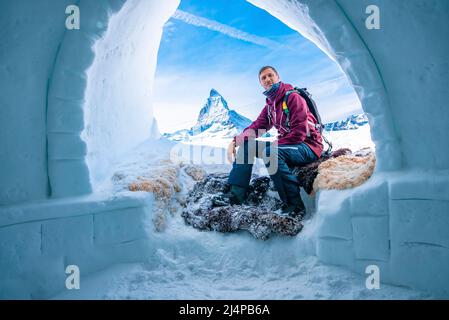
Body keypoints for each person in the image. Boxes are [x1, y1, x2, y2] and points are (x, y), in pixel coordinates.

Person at [213, 66, 323, 216]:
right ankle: (235, 195)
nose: (267, 79)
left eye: (270, 75)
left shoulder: (292, 97)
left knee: (270, 152)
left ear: (278, 77)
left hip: (307, 146)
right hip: (289, 145)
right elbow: (258, 126)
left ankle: (294, 206)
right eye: (263, 78)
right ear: (261, 84)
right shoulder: (271, 106)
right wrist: (235, 141)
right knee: (248, 146)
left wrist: (273, 146)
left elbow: (300, 133)